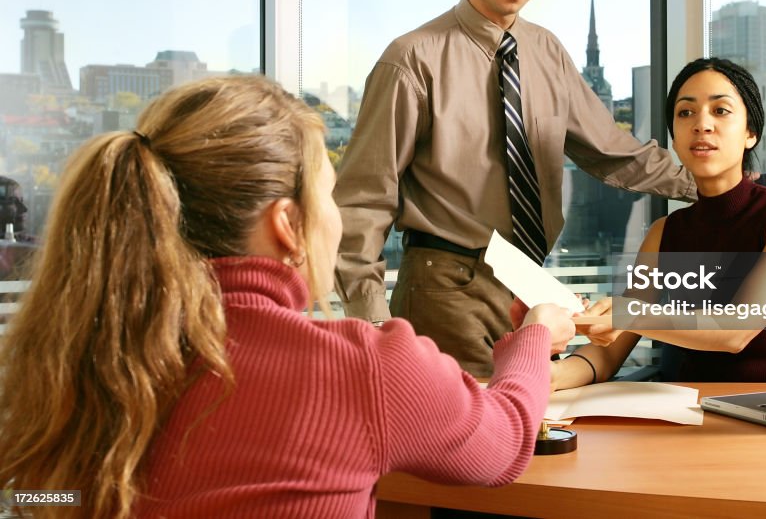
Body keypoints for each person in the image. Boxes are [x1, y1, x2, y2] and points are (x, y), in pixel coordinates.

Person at [0, 76, 576, 519]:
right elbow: (505, 444)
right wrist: (534, 340)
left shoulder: (69, 366)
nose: (340, 219)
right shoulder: (362, 367)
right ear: (288, 224)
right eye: (329, 195)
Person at [334, 0, 695, 376]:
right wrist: (376, 334)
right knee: (463, 445)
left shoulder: (546, 53)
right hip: (443, 290)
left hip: (528, 287)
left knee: (533, 432)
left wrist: (716, 187)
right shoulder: (411, 60)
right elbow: (361, 206)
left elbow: (614, 153)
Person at [552, 58, 766, 390]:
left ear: (751, 132)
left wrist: (627, 313)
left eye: (720, 111)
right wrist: (544, 379)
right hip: (689, 414)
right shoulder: (664, 233)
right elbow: (608, 355)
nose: (702, 124)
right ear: (676, 140)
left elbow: (739, 329)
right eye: (685, 113)